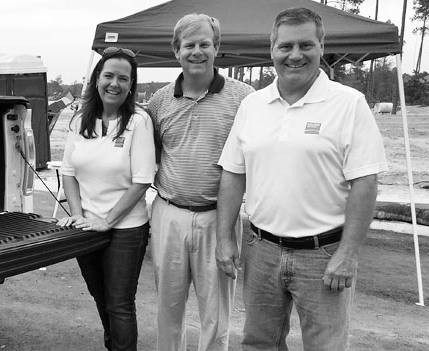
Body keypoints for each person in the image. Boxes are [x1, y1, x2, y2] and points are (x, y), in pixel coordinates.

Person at [216, 7, 388, 351]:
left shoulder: (348, 104)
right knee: (259, 343)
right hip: (260, 249)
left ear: (321, 45)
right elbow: (234, 175)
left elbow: (365, 183)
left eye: (306, 45)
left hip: (323, 253)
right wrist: (224, 238)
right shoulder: (253, 105)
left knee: (326, 345)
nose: (295, 55)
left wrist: (348, 253)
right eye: (286, 47)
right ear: (272, 49)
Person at [147, 14, 254, 351]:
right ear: (176, 50)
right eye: (189, 45)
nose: (197, 51)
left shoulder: (243, 98)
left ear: (216, 48)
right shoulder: (158, 102)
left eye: (204, 44)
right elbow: (149, 158)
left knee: (216, 313)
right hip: (168, 213)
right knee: (168, 308)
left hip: (219, 218)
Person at [57, 47, 156, 351]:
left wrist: (107, 221)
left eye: (123, 79)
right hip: (87, 225)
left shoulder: (138, 121)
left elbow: (142, 181)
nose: (115, 84)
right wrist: (78, 214)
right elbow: (69, 173)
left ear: (131, 85)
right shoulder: (78, 120)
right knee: (101, 298)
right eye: (109, 75)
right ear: (97, 79)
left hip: (126, 227)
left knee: (119, 304)